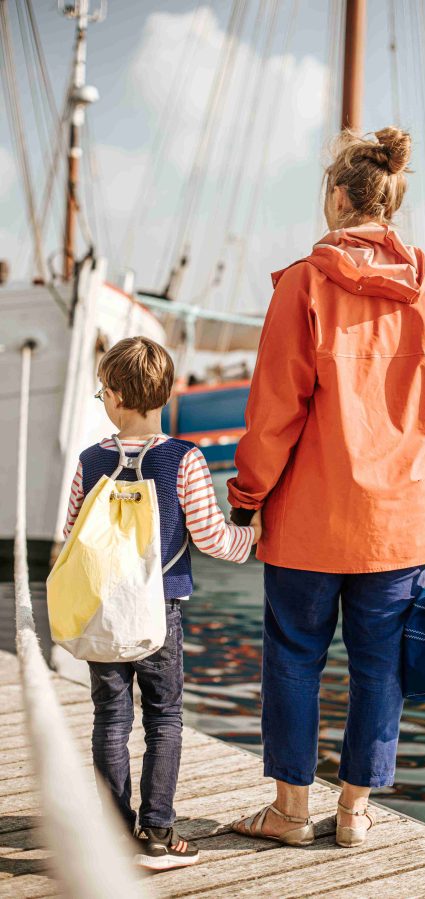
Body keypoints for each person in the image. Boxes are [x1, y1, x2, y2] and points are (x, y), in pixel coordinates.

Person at [227, 127, 425, 848]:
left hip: (309, 517)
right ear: (390, 202)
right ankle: (354, 813)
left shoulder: (303, 284)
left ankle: (288, 810)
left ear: (339, 198)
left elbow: (275, 409)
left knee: (293, 656)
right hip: (402, 518)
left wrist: (247, 494)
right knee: (380, 666)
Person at [63, 336, 261, 869]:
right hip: (160, 611)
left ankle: (112, 831)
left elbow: (71, 538)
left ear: (118, 398)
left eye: (102, 390)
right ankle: (157, 831)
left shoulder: (90, 460)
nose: (101, 399)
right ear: (162, 395)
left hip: (102, 612)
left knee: (109, 717)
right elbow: (213, 539)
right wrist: (254, 536)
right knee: (164, 717)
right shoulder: (185, 460)